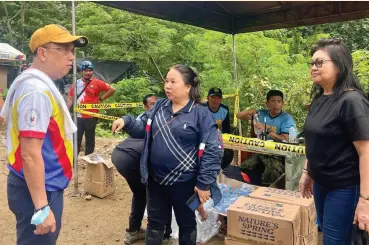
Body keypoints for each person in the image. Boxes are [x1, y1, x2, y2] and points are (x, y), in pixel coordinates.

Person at [111, 64, 223, 245]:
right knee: (155, 224)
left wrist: (203, 184)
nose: (167, 86)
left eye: (173, 81)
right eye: (166, 81)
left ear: (188, 87)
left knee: (186, 223)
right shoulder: (160, 106)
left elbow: (213, 151)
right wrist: (127, 121)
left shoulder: (201, 114)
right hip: (156, 181)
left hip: (186, 184)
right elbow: (143, 128)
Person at [0, 24, 87, 245]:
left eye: (73, 51)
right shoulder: (36, 92)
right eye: (64, 50)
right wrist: (41, 207)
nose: (71, 57)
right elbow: (30, 154)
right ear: (42, 52)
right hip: (38, 190)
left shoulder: (34, 84)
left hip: (40, 185)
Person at [299, 38, 369, 245]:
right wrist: (306, 172)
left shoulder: (352, 101)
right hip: (321, 184)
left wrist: (365, 200)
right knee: (328, 236)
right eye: (311, 63)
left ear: (339, 65)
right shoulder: (320, 100)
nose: (313, 67)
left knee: (335, 241)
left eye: (320, 62)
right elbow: (314, 142)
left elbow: (366, 152)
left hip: (345, 187)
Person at [112, 94, 174, 245]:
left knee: (140, 194)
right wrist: (125, 120)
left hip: (121, 154)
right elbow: (137, 127)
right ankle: (164, 236)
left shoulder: (163, 118)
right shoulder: (157, 118)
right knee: (159, 194)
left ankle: (133, 231)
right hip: (134, 157)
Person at [236, 90, 296, 185]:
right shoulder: (262, 114)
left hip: (278, 155)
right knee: (244, 168)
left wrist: (268, 130)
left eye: (279, 101)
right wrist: (249, 111)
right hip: (261, 152)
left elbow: (285, 139)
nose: (276, 104)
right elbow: (239, 116)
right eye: (273, 101)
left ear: (283, 103)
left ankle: (267, 192)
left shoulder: (286, 118)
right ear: (267, 103)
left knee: (271, 174)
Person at [67, 60, 115, 155]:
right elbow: (70, 98)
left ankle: (89, 162)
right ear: (82, 72)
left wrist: (101, 99)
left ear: (92, 71)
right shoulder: (76, 83)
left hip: (91, 116)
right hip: (78, 116)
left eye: (90, 70)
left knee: (90, 140)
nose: (88, 72)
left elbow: (112, 89)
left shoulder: (97, 82)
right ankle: (73, 163)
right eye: (86, 70)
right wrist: (67, 112)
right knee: (76, 139)